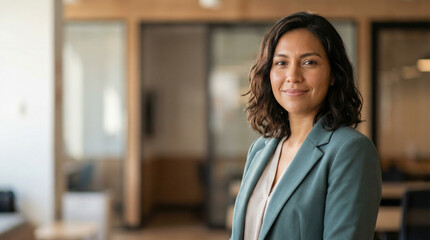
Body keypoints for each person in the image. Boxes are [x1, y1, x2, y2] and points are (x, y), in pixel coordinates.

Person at [230, 12, 381, 240]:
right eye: (281, 62)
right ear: (268, 73)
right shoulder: (260, 149)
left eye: (309, 62)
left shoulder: (350, 150)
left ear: (333, 74)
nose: (293, 75)